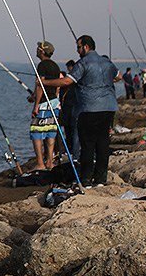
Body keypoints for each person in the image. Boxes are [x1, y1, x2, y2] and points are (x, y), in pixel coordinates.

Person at [41, 35, 120, 187]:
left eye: (78, 47)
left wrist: (44, 82)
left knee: (87, 144)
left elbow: (66, 81)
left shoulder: (83, 63)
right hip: (109, 108)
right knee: (103, 143)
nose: (77, 50)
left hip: (89, 108)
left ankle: (86, 179)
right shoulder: (106, 62)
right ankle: (100, 179)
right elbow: (118, 77)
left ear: (85, 47)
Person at [30, 41, 61, 170]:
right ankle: (49, 161)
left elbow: (40, 85)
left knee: (36, 132)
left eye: (38, 48)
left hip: (43, 103)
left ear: (42, 51)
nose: (36, 50)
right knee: (50, 131)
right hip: (54, 102)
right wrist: (33, 96)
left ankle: (40, 163)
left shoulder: (42, 65)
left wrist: (36, 104)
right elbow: (57, 85)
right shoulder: (55, 66)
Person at [58, 59, 80, 159]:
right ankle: (72, 150)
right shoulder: (72, 79)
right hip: (67, 108)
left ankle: (74, 152)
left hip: (72, 108)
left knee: (73, 131)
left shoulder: (74, 80)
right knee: (69, 130)